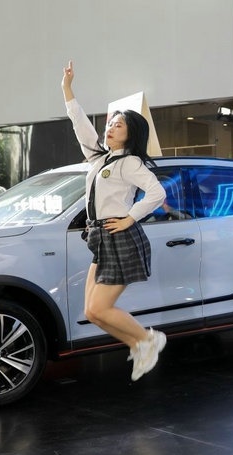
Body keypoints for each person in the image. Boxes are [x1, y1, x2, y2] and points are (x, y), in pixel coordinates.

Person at [61, 60, 167, 381]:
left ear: (130, 134)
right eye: (110, 124)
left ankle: (149, 340)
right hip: (101, 238)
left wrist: (129, 219)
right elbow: (81, 125)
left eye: (118, 126)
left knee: (102, 308)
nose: (110, 128)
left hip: (120, 238)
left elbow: (157, 193)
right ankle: (139, 345)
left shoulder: (130, 162)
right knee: (92, 312)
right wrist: (67, 89)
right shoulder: (99, 158)